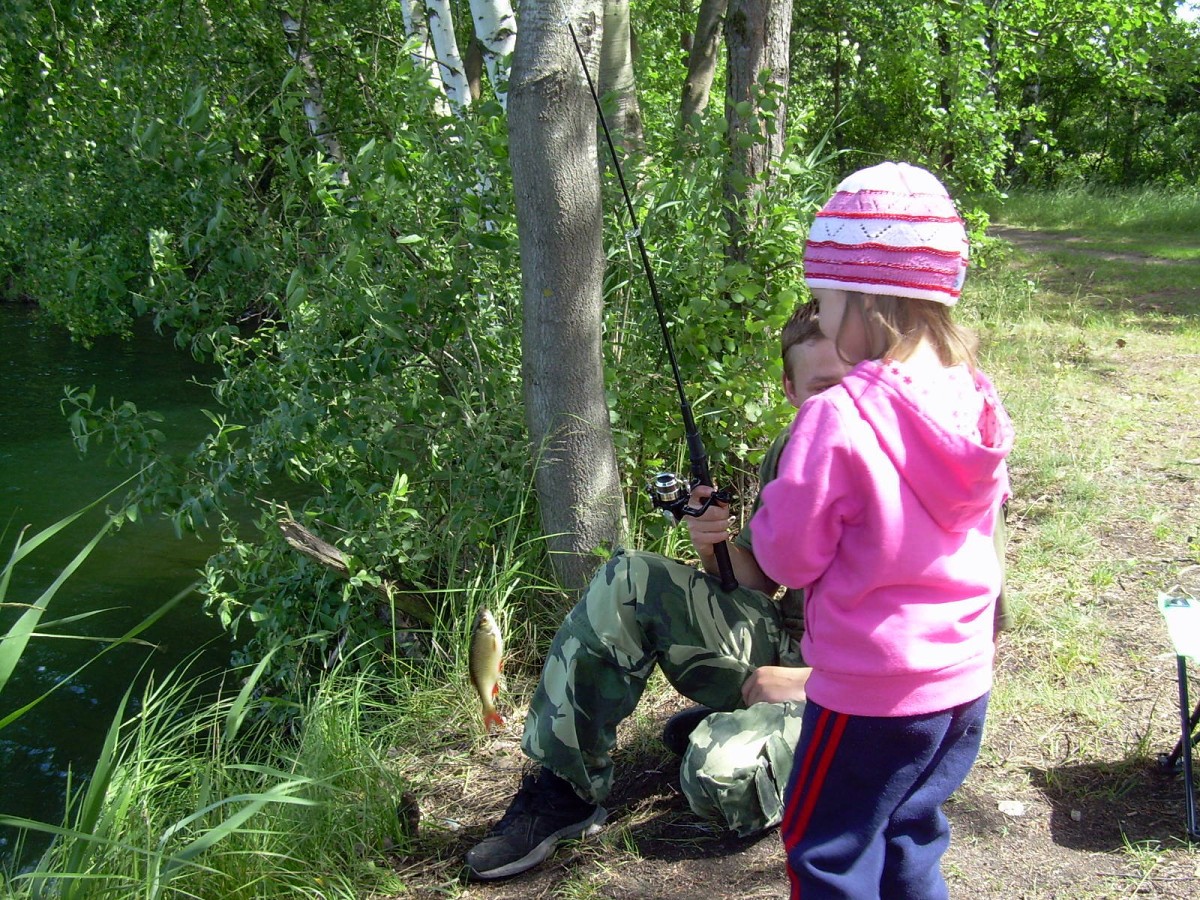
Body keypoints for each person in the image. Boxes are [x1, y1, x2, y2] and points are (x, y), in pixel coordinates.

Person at [463, 305, 851, 881]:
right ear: (791, 390)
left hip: (861, 684)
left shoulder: (917, 455)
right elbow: (758, 579)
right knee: (629, 576)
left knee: (721, 779)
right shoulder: (795, 444)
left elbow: (968, 636)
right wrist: (710, 540)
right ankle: (564, 790)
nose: (840, 404)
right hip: (787, 642)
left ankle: (738, 726)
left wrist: (810, 683)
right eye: (822, 389)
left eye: (853, 382)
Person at [748, 161, 1015, 899]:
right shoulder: (973, 396)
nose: (822, 317)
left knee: (828, 851)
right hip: (961, 686)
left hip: (871, 694)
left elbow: (789, 558)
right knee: (910, 835)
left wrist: (769, 511)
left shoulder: (836, 416)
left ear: (862, 299)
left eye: (824, 298)